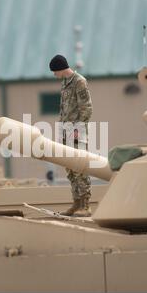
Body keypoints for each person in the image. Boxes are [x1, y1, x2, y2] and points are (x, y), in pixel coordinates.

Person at [49, 54, 93, 217]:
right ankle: (76, 203)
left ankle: (85, 205)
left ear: (60, 69)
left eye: (55, 72)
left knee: (79, 167)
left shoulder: (79, 81)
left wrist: (78, 129)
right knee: (70, 168)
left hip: (76, 132)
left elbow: (86, 108)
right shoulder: (65, 83)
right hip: (66, 131)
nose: (55, 75)